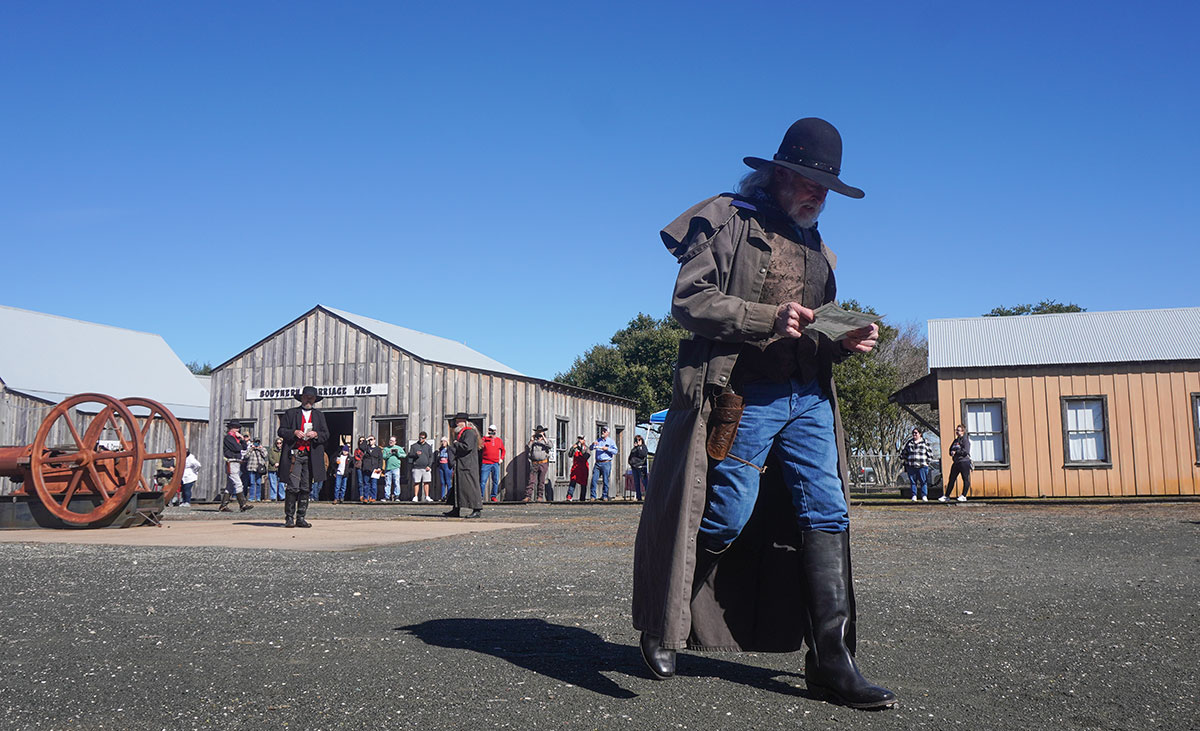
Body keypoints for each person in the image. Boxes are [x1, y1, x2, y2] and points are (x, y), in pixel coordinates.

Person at [631, 118, 896, 709]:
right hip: (743, 395)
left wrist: (842, 339)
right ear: (778, 173)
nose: (816, 195)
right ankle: (667, 621)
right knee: (725, 512)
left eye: (825, 188)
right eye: (807, 181)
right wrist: (763, 318)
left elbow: (813, 328)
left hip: (808, 399)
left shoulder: (818, 248)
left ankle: (832, 659)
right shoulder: (726, 221)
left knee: (827, 511)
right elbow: (689, 302)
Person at [277, 385, 329, 528]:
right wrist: (294, 432)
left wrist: (316, 434)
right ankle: (289, 517)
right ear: (301, 398)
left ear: (314, 400)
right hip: (294, 456)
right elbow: (281, 431)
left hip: (310, 456)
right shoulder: (291, 413)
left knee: (306, 487)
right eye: (306, 397)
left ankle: (301, 517)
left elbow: (326, 434)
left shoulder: (319, 415)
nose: (308, 400)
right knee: (293, 487)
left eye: (311, 398)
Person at [445, 412, 482, 518]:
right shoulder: (463, 433)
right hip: (462, 464)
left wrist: (456, 444)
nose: (457, 423)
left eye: (459, 421)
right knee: (457, 487)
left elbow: (467, 447)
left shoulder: (469, 433)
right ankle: (456, 509)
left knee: (471, 487)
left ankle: (477, 509)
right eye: (456, 421)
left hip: (468, 465)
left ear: (464, 422)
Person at [219, 422, 253, 513]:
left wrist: (242, 439)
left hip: (237, 462)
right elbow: (237, 448)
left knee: (230, 486)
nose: (238, 430)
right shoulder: (228, 438)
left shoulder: (236, 438)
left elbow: (244, 447)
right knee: (238, 483)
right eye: (236, 428)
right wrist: (240, 442)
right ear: (231, 428)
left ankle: (223, 505)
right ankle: (243, 504)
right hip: (231, 462)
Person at [899, 428, 934, 502]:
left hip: (922, 466)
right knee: (913, 482)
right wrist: (904, 459)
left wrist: (927, 462)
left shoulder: (925, 442)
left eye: (916, 433)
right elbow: (904, 453)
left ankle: (924, 496)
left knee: (923, 481)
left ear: (920, 434)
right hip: (911, 466)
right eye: (913, 433)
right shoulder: (909, 442)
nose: (914, 434)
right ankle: (914, 496)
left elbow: (930, 454)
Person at [941, 424, 972, 502]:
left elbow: (966, 451)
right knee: (951, 479)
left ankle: (963, 495)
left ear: (962, 431)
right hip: (956, 462)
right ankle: (946, 496)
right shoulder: (955, 441)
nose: (957, 432)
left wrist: (956, 452)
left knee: (965, 479)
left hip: (964, 462)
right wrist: (951, 452)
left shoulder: (965, 440)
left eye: (958, 430)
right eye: (956, 430)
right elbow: (951, 449)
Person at [525, 425, 552, 502]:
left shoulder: (546, 441)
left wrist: (543, 437)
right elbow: (528, 447)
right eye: (538, 432)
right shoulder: (534, 441)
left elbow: (550, 446)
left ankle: (539, 497)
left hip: (543, 463)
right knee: (531, 480)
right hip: (534, 463)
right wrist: (531, 440)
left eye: (541, 431)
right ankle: (528, 496)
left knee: (541, 481)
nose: (539, 433)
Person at [589, 427, 617, 500]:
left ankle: (604, 496)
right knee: (594, 479)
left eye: (604, 431)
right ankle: (593, 496)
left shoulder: (611, 441)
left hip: (606, 463)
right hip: (598, 463)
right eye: (602, 431)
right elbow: (591, 448)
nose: (603, 432)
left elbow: (615, 451)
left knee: (605, 480)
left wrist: (607, 449)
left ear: (608, 433)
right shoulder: (598, 440)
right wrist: (592, 444)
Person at [480, 424, 506, 501]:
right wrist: (485, 437)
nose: (492, 432)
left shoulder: (499, 440)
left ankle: (493, 496)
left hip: (495, 463)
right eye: (490, 430)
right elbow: (479, 445)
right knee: (483, 481)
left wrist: (501, 458)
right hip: (485, 463)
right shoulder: (484, 439)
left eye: (493, 431)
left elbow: (503, 450)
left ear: (495, 431)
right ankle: (481, 496)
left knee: (495, 480)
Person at [408, 431, 435, 502]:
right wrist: (416, 455)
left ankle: (427, 496)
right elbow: (410, 455)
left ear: (425, 438)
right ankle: (416, 496)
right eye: (420, 437)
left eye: (422, 438)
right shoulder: (414, 446)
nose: (420, 439)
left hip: (426, 467)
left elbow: (431, 457)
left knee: (426, 482)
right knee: (416, 482)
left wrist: (429, 465)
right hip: (416, 467)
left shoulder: (428, 447)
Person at [381, 436, 407, 501]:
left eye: (392, 441)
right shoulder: (386, 448)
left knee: (396, 482)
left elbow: (404, 455)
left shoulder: (399, 448)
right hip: (388, 468)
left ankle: (397, 496)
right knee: (387, 483)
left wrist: (397, 453)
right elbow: (384, 456)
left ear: (395, 442)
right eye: (390, 440)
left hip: (396, 468)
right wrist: (390, 453)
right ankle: (387, 496)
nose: (391, 442)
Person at [564, 436, 590, 501]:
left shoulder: (586, 448)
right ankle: (569, 496)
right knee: (573, 481)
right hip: (575, 468)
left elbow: (586, 456)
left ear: (584, 440)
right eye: (579, 439)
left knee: (583, 483)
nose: (580, 440)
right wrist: (573, 448)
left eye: (581, 439)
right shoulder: (575, 448)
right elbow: (570, 455)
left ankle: (582, 498)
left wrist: (580, 448)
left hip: (583, 468)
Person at [360, 436, 383, 503]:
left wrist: (380, 467)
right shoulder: (366, 447)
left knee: (374, 484)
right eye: (369, 440)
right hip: (366, 468)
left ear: (375, 440)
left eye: (372, 440)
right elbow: (361, 447)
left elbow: (380, 459)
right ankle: (366, 497)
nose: (370, 441)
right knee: (366, 484)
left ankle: (373, 497)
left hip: (375, 468)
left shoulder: (378, 449)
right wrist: (366, 440)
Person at [244, 438, 268, 502]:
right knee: (252, 483)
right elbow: (246, 456)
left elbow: (265, 455)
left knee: (258, 483)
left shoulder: (262, 448)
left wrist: (260, 449)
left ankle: (258, 497)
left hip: (259, 468)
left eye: (258, 442)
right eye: (255, 442)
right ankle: (251, 497)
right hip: (251, 467)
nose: (256, 443)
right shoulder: (250, 448)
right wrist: (251, 449)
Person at [628, 434, 649, 501]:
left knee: (644, 482)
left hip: (641, 466)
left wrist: (639, 447)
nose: (637, 442)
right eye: (636, 440)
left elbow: (643, 454)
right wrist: (631, 463)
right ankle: (638, 497)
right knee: (636, 483)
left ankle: (648, 496)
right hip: (634, 467)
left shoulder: (643, 447)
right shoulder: (633, 449)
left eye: (638, 440)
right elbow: (630, 457)